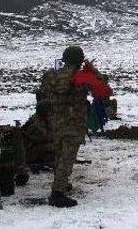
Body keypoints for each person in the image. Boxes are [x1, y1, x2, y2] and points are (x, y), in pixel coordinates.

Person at [40, 46, 108, 208]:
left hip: (55, 121)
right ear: (79, 60)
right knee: (68, 158)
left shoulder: (51, 75)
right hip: (74, 122)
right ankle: (57, 194)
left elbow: (43, 93)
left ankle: (61, 183)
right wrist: (93, 70)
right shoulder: (82, 76)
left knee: (59, 154)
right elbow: (103, 89)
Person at [22, 100, 55, 166]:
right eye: (50, 111)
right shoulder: (36, 124)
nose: (52, 114)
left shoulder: (43, 120)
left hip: (36, 150)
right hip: (31, 153)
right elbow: (47, 137)